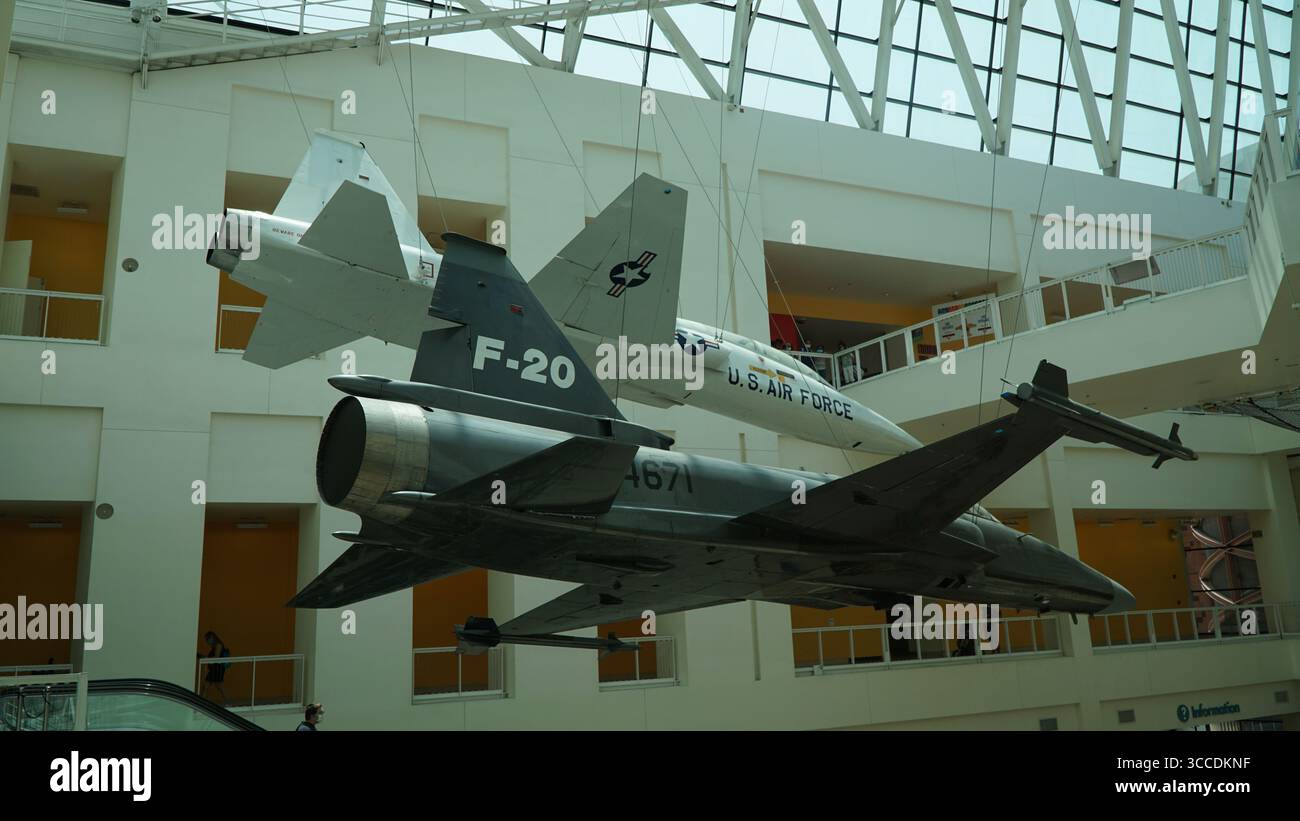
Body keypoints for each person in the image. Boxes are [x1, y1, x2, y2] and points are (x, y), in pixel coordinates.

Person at [198, 631, 230, 704]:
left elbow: (216, 657)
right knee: (208, 685)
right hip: (214, 669)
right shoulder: (215, 646)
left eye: (207, 639)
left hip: (217, 668)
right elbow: (212, 657)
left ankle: (228, 701)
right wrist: (205, 657)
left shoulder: (218, 645)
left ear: (212, 638)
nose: (207, 642)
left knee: (218, 686)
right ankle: (201, 701)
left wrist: (207, 658)